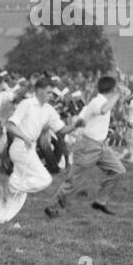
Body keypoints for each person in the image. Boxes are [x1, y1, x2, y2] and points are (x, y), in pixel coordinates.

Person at [0, 78, 65, 224]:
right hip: (20, 148)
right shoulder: (27, 104)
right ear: (39, 91)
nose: (51, 95)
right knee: (45, 179)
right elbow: (10, 125)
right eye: (49, 92)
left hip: (29, 149)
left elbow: (62, 129)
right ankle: (11, 186)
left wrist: (80, 124)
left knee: (20, 195)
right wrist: (25, 137)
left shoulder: (49, 109)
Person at [46, 74, 125, 217]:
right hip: (87, 146)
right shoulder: (97, 102)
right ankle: (53, 206)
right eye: (116, 89)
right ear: (112, 89)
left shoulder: (101, 101)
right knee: (74, 180)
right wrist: (117, 95)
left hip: (100, 146)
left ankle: (100, 202)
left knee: (118, 170)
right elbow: (103, 110)